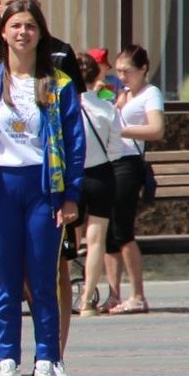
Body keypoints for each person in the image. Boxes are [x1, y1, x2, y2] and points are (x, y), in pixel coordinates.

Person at [0, 0, 85, 376]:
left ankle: (47, 361)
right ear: (3, 32)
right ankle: (8, 360)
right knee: (5, 281)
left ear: (40, 33)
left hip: (43, 189)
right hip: (0, 189)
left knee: (44, 278)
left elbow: (75, 145)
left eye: (30, 26)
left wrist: (71, 196)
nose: (22, 33)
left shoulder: (58, 84)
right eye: (16, 25)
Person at [109, 44, 166, 314]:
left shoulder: (150, 94)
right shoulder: (124, 93)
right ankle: (113, 293)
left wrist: (120, 129)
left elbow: (156, 130)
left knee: (122, 230)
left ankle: (138, 294)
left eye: (127, 71)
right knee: (109, 233)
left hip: (129, 164)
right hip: (111, 161)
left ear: (143, 69)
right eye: (118, 71)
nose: (122, 76)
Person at [74, 53, 124, 317]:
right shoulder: (107, 109)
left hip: (73, 176)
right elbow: (116, 149)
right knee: (96, 240)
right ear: (96, 77)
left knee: (70, 238)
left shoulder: (66, 108)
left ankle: (62, 288)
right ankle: (86, 300)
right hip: (101, 175)